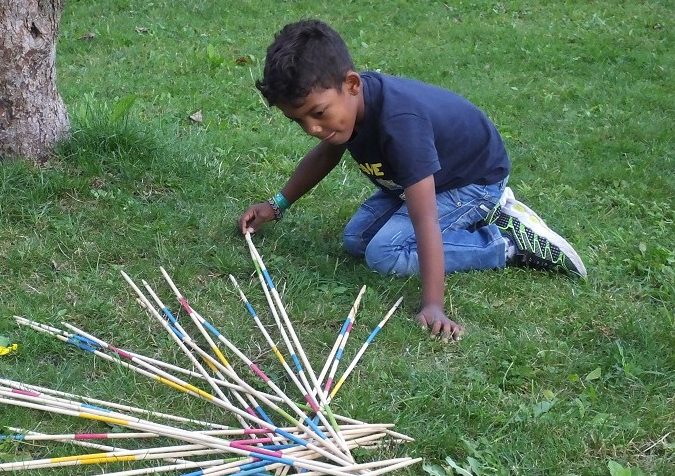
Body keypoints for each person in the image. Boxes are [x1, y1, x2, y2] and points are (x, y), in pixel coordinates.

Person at [239, 19, 586, 342]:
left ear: (352, 84)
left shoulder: (400, 123)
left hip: (470, 182)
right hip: (416, 179)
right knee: (356, 240)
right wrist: (277, 205)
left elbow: (425, 218)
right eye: (299, 121)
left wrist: (433, 305)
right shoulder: (344, 113)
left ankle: (504, 243)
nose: (312, 128)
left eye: (317, 113)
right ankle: (487, 226)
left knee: (385, 254)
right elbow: (325, 155)